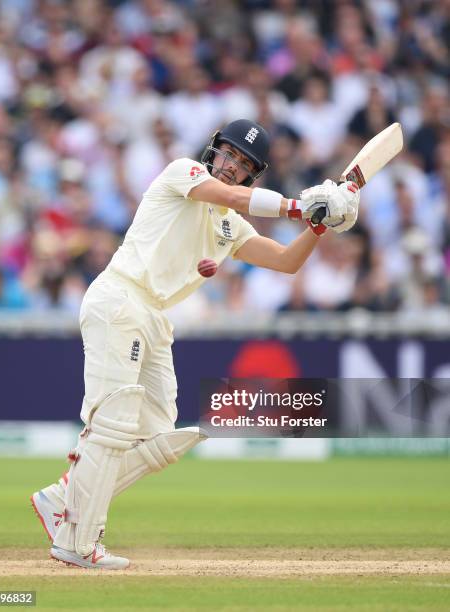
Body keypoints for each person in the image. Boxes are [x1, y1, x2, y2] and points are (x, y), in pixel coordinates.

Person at [30, 119, 360, 569]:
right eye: (228, 154)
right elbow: (228, 196)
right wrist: (299, 206)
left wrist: (320, 225)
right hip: (120, 298)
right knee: (113, 420)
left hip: (154, 317)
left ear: (251, 173)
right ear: (213, 151)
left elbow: (285, 262)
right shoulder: (184, 173)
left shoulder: (231, 228)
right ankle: (76, 540)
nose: (231, 166)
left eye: (243, 164)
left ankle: (62, 497)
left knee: (158, 434)